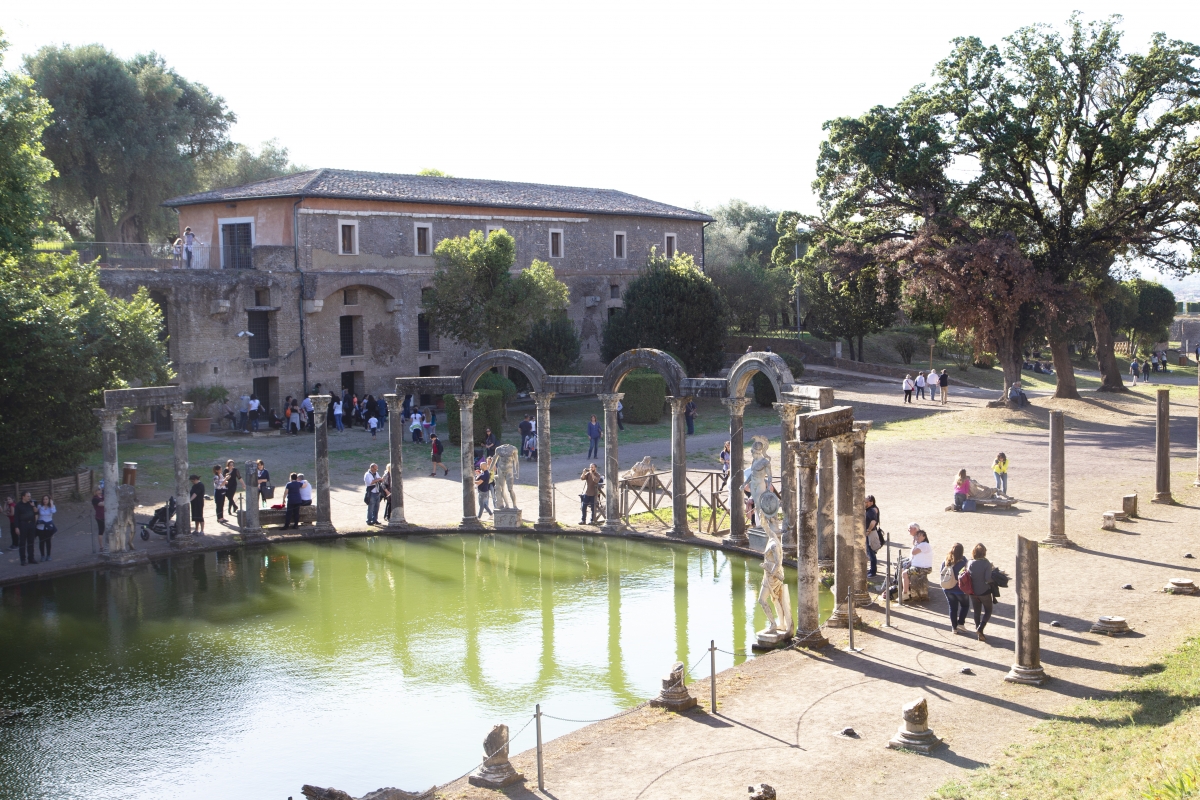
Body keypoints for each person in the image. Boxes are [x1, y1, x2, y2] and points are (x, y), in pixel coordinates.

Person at [965, 543, 994, 641]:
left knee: (976, 612)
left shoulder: (970, 562)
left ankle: (979, 633)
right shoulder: (986, 563)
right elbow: (988, 579)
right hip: (984, 591)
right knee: (988, 610)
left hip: (973, 592)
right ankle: (980, 628)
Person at [942, 543, 969, 633]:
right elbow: (965, 575)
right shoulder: (963, 563)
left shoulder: (946, 561)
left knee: (953, 608)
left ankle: (954, 628)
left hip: (948, 589)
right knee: (965, 606)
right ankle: (961, 623)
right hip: (960, 590)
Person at [901, 527, 932, 598]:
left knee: (904, 573)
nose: (917, 537)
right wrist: (907, 566)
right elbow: (913, 558)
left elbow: (913, 552)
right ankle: (907, 590)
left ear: (924, 537)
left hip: (923, 568)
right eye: (916, 536)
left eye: (919, 536)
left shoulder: (924, 545)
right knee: (903, 570)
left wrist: (915, 544)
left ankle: (904, 593)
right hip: (917, 566)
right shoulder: (920, 545)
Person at [15, 491, 37, 565]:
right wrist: (16, 527)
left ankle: (31, 558)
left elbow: (36, 512)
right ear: (23, 497)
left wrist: (33, 506)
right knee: (22, 543)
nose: (29, 497)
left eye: (30, 496)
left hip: (31, 524)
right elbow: (16, 517)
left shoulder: (31, 503)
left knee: (31, 542)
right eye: (28, 496)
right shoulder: (18, 505)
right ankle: (23, 560)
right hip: (23, 525)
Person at [35, 495, 57, 562]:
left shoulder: (51, 507)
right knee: (41, 541)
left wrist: (51, 503)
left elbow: (53, 511)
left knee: (48, 541)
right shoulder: (39, 506)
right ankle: (42, 555)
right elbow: (35, 512)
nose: (45, 500)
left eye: (46, 499)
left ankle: (48, 555)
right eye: (44, 499)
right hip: (40, 526)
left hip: (48, 526)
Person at [864, 495, 881, 578]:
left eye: (866, 502)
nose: (864, 503)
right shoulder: (869, 509)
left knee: (871, 552)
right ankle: (871, 570)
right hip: (869, 533)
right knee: (869, 552)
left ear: (871, 502)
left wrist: (868, 531)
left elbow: (873, 522)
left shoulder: (872, 510)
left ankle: (873, 571)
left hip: (871, 533)